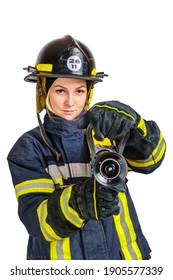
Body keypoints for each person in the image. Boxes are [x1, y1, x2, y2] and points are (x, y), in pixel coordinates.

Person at [7, 35, 166, 260]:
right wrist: (80, 203)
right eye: (60, 90)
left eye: (79, 91)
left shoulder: (107, 132)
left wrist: (135, 125)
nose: (71, 102)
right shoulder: (28, 149)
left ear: (88, 92)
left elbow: (152, 161)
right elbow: (39, 221)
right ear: (43, 92)